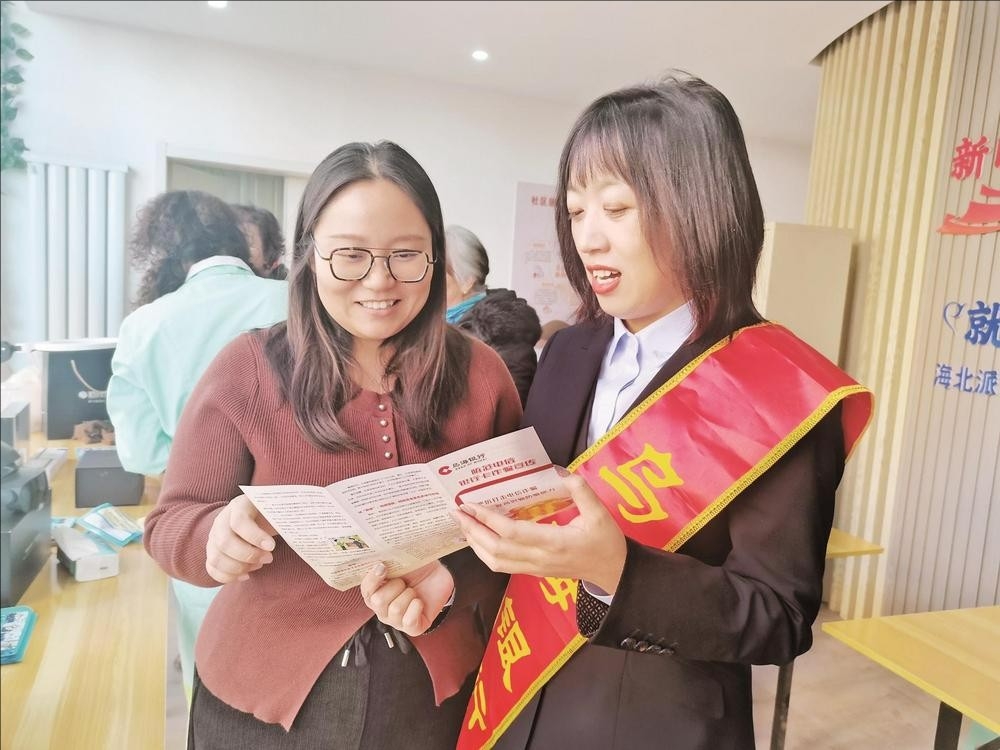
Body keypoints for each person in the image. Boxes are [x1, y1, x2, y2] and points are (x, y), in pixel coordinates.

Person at [455, 73, 872, 749]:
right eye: (575, 212)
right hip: (520, 707)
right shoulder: (567, 352)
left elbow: (779, 617)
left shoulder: (777, 389)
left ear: (700, 208)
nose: (587, 239)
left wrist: (620, 572)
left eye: (616, 208)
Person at [143, 141, 521, 748]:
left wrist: (454, 582)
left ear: (435, 257)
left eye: (406, 254)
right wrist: (214, 537)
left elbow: (519, 531)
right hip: (260, 703)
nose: (379, 280)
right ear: (309, 256)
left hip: (432, 700)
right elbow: (169, 524)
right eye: (350, 255)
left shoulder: (482, 375)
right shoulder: (249, 368)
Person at [106, 190, 289, 705]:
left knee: (215, 690)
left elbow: (140, 454)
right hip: (300, 529)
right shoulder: (298, 300)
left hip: (202, 531)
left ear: (160, 255)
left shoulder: (145, 325)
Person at [444, 224, 541, 404]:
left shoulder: (504, 331)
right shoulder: (437, 323)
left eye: (439, 277)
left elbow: (512, 404)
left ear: (467, 281)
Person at [233, 203, 289, 279]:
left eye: (246, 242)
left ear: (268, 254)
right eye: (233, 240)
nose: (235, 249)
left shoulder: (290, 285)